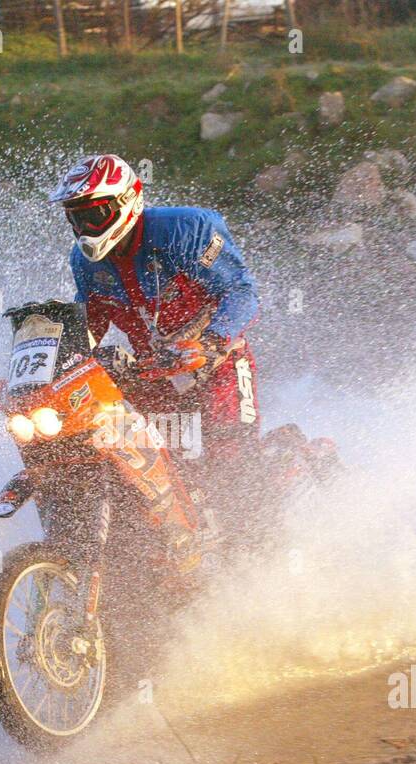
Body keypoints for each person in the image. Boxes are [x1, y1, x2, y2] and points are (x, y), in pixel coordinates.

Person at [50, 154, 261, 510]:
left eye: (93, 215)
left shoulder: (187, 229)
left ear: (126, 202)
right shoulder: (83, 261)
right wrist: (49, 371)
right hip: (152, 375)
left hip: (218, 365)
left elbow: (241, 291)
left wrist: (209, 344)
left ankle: (286, 472)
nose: (84, 227)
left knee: (233, 467)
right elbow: (89, 323)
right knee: (142, 472)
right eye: (75, 218)